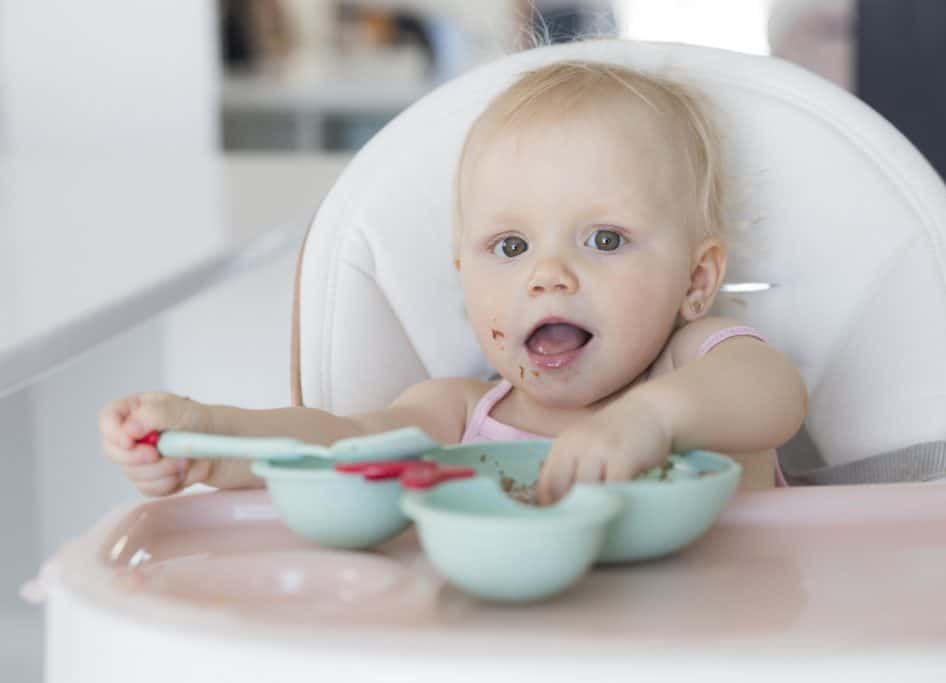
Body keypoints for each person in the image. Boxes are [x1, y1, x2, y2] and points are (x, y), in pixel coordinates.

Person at [99, 59, 808, 504]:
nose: (549, 274)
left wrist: (652, 420)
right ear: (462, 273)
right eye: (509, 244)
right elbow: (339, 442)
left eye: (604, 239)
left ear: (697, 277)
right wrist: (214, 440)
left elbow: (774, 396)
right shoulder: (454, 417)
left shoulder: (697, 366)